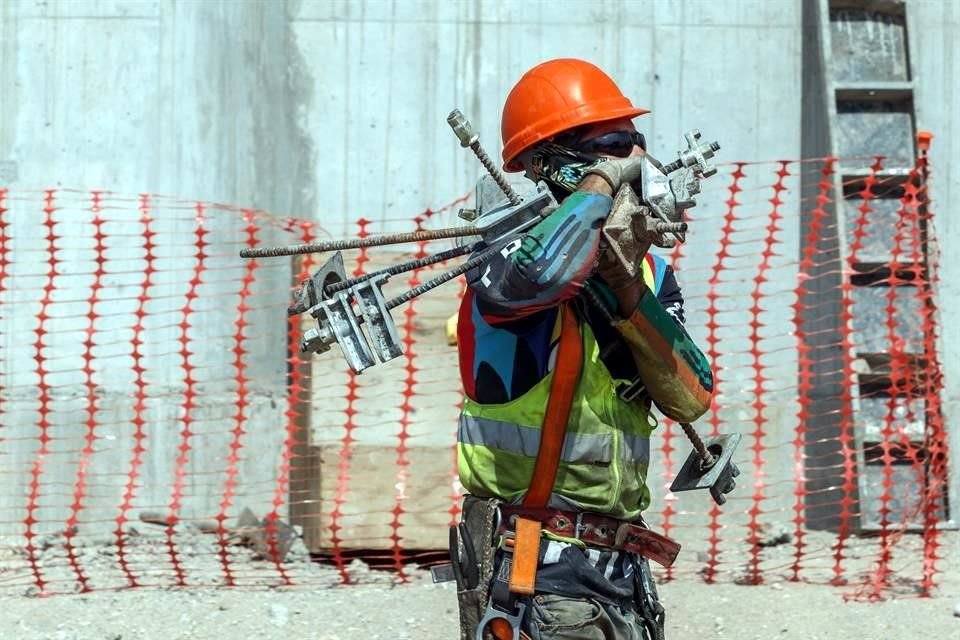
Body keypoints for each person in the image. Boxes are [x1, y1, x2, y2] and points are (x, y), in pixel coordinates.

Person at [453, 59, 716, 640]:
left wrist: (625, 289)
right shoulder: (497, 257)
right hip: (530, 559)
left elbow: (691, 395)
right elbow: (542, 273)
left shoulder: (648, 275)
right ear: (550, 165)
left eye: (633, 144)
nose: (633, 161)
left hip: (621, 569)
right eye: (611, 146)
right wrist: (603, 185)